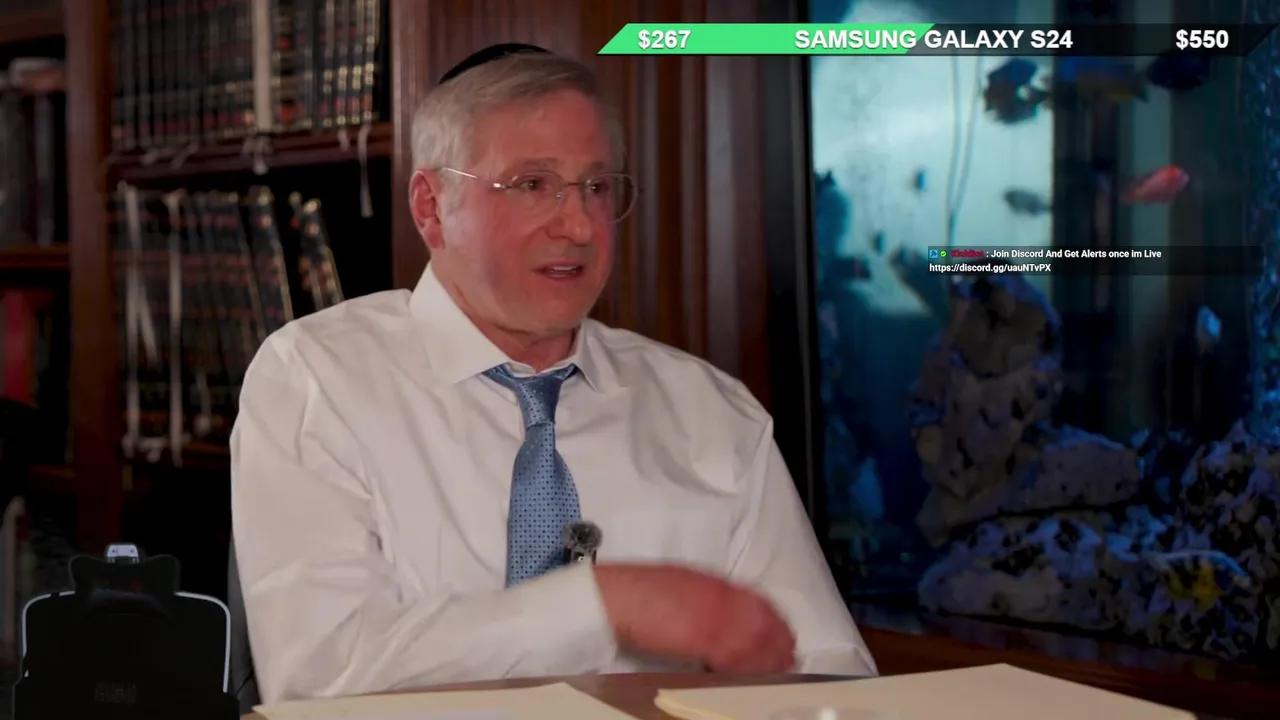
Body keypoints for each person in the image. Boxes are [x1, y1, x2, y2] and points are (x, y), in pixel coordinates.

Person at [230, 45, 877, 705]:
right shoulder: (317, 379)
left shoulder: (711, 411)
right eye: (532, 185)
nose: (578, 225)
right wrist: (600, 605)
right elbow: (321, 680)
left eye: (597, 188)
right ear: (431, 206)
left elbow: (831, 676)